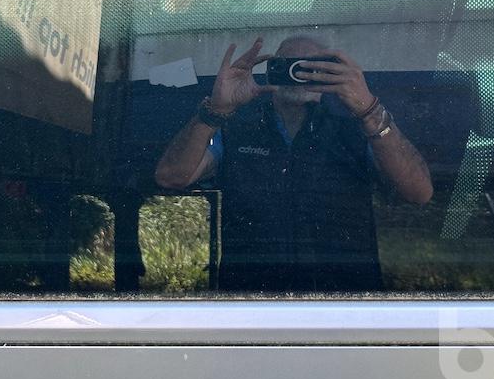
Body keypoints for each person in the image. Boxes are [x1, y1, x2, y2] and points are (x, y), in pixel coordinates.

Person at [155, 35, 433, 292]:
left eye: (312, 68)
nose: (299, 74)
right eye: (287, 65)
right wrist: (216, 111)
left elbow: (419, 192)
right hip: (250, 304)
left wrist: (369, 110)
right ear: (270, 71)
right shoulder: (236, 130)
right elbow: (171, 177)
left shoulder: (356, 133)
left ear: (332, 75)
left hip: (346, 304)